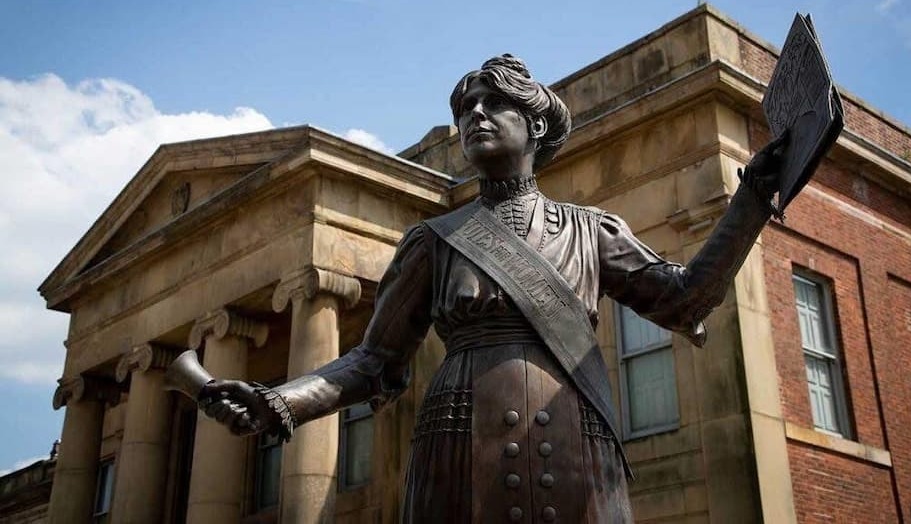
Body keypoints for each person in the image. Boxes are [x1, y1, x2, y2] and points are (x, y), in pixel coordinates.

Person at [201, 54, 787, 523]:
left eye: (494, 104)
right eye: (467, 109)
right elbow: (373, 360)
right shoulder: (433, 241)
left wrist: (753, 200)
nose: (475, 115)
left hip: (575, 440)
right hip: (456, 445)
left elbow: (685, 298)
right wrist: (281, 401)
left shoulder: (592, 231)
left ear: (534, 125)